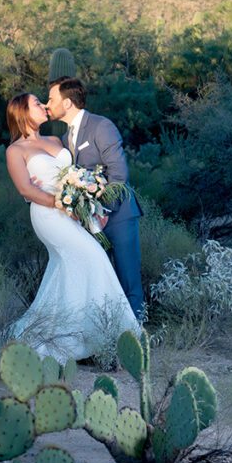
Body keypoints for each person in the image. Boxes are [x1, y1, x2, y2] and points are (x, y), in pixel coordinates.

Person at [0, 92, 139, 364]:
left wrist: (81, 195)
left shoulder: (55, 139)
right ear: (22, 112)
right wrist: (59, 203)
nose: (44, 106)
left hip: (71, 213)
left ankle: (87, 335)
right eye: (37, 103)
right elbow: (26, 189)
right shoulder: (15, 150)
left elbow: (72, 175)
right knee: (93, 257)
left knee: (72, 268)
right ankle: (101, 335)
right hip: (48, 216)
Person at [46, 77, 144, 318]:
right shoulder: (64, 137)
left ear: (67, 103)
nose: (47, 104)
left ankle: (137, 336)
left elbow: (118, 175)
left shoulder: (101, 126)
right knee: (101, 282)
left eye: (51, 99)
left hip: (118, 216)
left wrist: (102, 211)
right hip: (88, 222)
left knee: (128, 279)